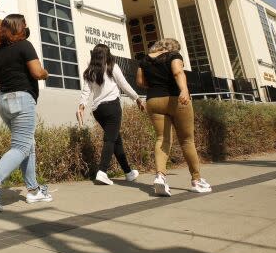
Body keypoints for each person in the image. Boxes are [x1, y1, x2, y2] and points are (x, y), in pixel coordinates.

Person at [0, 14, 52, 212]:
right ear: (18, 27)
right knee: (21, 146)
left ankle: (34, 190)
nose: (26, 27)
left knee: (28, 145)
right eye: (24, 24)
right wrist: (46, 73)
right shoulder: (25, 46)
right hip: (22, 100)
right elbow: (37, 72)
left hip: (3, 100)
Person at [136, 38, 212, 196]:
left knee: (162, 138)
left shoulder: (144, 60)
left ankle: (160, 177)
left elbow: (140, 81)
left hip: (154, 101)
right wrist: (184, 90)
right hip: (176, 99)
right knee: (186, 140)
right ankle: (196, 180)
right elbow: (178, 72)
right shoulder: (173, 55)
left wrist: (156, 84)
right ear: (173, 47)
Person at [76, 44, 145, 185]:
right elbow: (124, 84)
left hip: (98, 110)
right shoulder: (111, 66)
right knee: (110, 140)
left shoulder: (89, 71)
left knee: (115, 140)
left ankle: (128, 172)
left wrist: (82, 106)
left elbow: (86, 91)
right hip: (112, 107)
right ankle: (102, 172)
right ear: (107, 54)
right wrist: (136, 98)